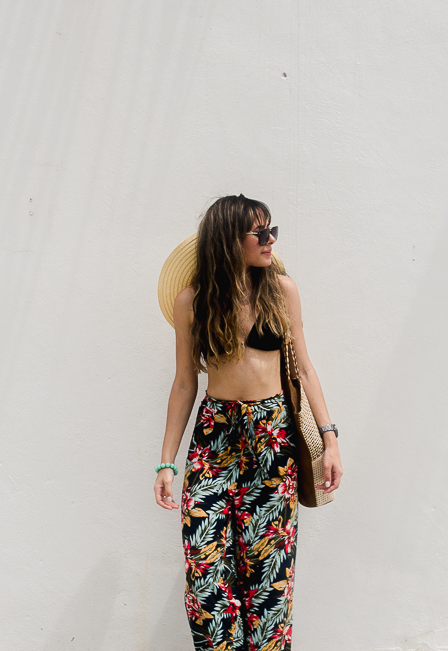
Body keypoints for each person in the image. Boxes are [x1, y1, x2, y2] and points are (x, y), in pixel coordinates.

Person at [154, 194, 342, 651]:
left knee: (268, 578)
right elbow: (184, 382)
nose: (270, 239)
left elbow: (303, 368)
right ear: (228, 240)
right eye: (259, 232)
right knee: (205, 577)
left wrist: (330, 439)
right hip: (214, 440)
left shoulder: (281, 290)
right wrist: (166, 462)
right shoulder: (192, 301)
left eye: (271, 230)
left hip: (271, 438)